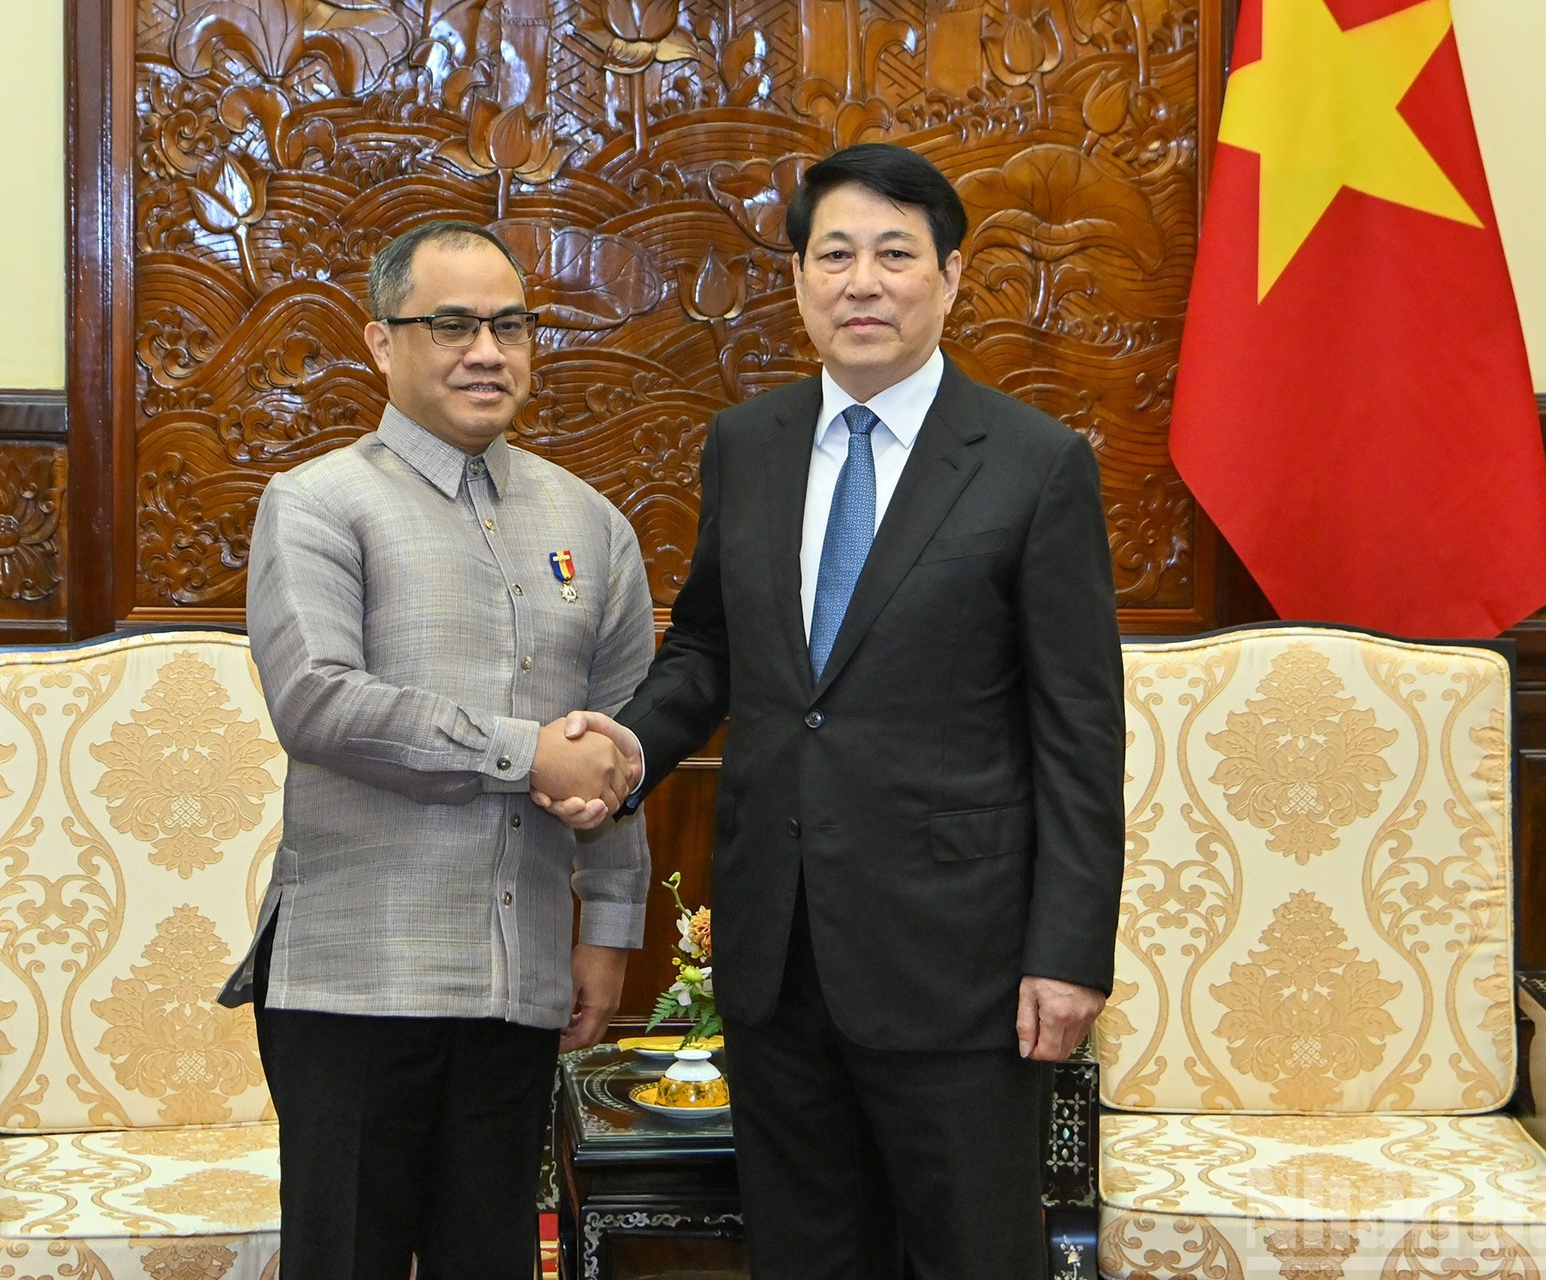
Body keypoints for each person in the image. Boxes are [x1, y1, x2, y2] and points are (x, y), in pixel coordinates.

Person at [542, 144, 1126, 1278]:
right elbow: (709, 644)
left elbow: (1079, 728)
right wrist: (628, 743)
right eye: (836, 254)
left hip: (961, 959)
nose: (864, 281)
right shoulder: (747, 444)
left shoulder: (1034, 463)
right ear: (800, 281)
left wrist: (1069, 950)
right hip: (779, 945)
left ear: (951, 278)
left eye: (895, 255)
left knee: (970, 1254)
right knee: (805, 1251)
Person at [219, 220, 655, 1280]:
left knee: (494, 1258)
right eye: (450, 324)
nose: (487, 351)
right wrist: (522, 753)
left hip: (516, 978)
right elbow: (320, 700)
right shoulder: (319, 503)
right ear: (381, 341)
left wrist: (609, 923)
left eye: (510, 324)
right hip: (354, 983)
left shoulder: (591, 524)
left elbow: (620, 738)